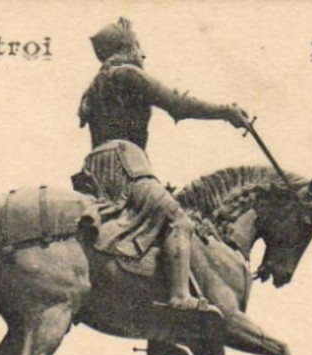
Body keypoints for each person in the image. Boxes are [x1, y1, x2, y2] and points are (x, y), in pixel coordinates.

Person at [74, 17, 252, 316]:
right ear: (128, 46)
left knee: (152, 231)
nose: (142, 51)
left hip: (96, 167)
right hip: (125, 163)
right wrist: (226, 112)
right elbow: (176, 104)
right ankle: (180, 297)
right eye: (137, 44)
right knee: (177, 220)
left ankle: (159, 327)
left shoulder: (96, 85)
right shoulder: (128, 74)